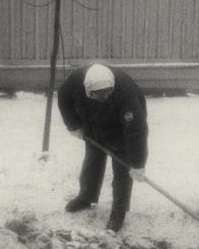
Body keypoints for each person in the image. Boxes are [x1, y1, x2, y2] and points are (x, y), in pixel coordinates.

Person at [58, 63, 148, 232]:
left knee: (122, 169)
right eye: (99, 95)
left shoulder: (126, 94)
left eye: (108, 93)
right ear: (88, 90)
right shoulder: (76, 81)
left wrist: (137, 164)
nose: (105, 97)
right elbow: (63, 98)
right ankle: (86, 197)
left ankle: (118, 212)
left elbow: (137, 132)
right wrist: (73, 125)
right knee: (92, 162)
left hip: (122, 128)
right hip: (93, 124)